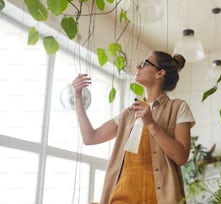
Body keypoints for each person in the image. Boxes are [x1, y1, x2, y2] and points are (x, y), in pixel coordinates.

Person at [72, 51, 195, 204]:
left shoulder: (178, 107)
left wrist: (151, 124)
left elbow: (181, 156)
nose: (138, 66)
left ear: (160, 73)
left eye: (144, 63)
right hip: (122, 197)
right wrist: (77, 97)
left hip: (158, 198)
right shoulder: (129, 113)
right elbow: (90, 137)